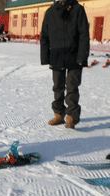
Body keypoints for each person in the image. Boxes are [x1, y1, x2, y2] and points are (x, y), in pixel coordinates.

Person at [40, 0, 90, 129]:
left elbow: (84, 34)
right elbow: (44, 36)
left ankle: (71, 117)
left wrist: (82, 56)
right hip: (56, 55)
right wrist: (46, 57)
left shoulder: (77, 9)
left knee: (72, 86)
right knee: (58, 86)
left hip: (74, 54)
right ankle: (59, 114)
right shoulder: (50, 11)